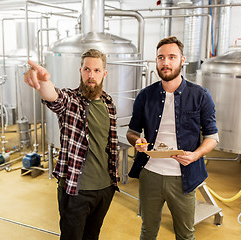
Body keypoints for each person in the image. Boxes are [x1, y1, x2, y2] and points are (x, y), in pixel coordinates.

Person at [126, 36, 219, 240]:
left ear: (182, 60)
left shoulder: (201, 96)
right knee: (148, 231)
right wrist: (137, 142)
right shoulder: (145, 96)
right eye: (161, 57)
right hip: (150, 174)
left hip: (183, 177)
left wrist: (195, 155)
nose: (165, 62)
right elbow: (131, 132)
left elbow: (212, 137)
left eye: (171, 57)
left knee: (185, 234)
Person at [24, 49, 119, 240]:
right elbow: (54, 97)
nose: (91, 75)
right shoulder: (72, 101)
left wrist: (110, 184)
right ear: (80, 71)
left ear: (104, 73)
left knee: (92, 236)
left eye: (97, 70)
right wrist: (43, 82)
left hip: (104, 188)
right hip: (76, 189)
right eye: (87, 69)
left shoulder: (109, 103)